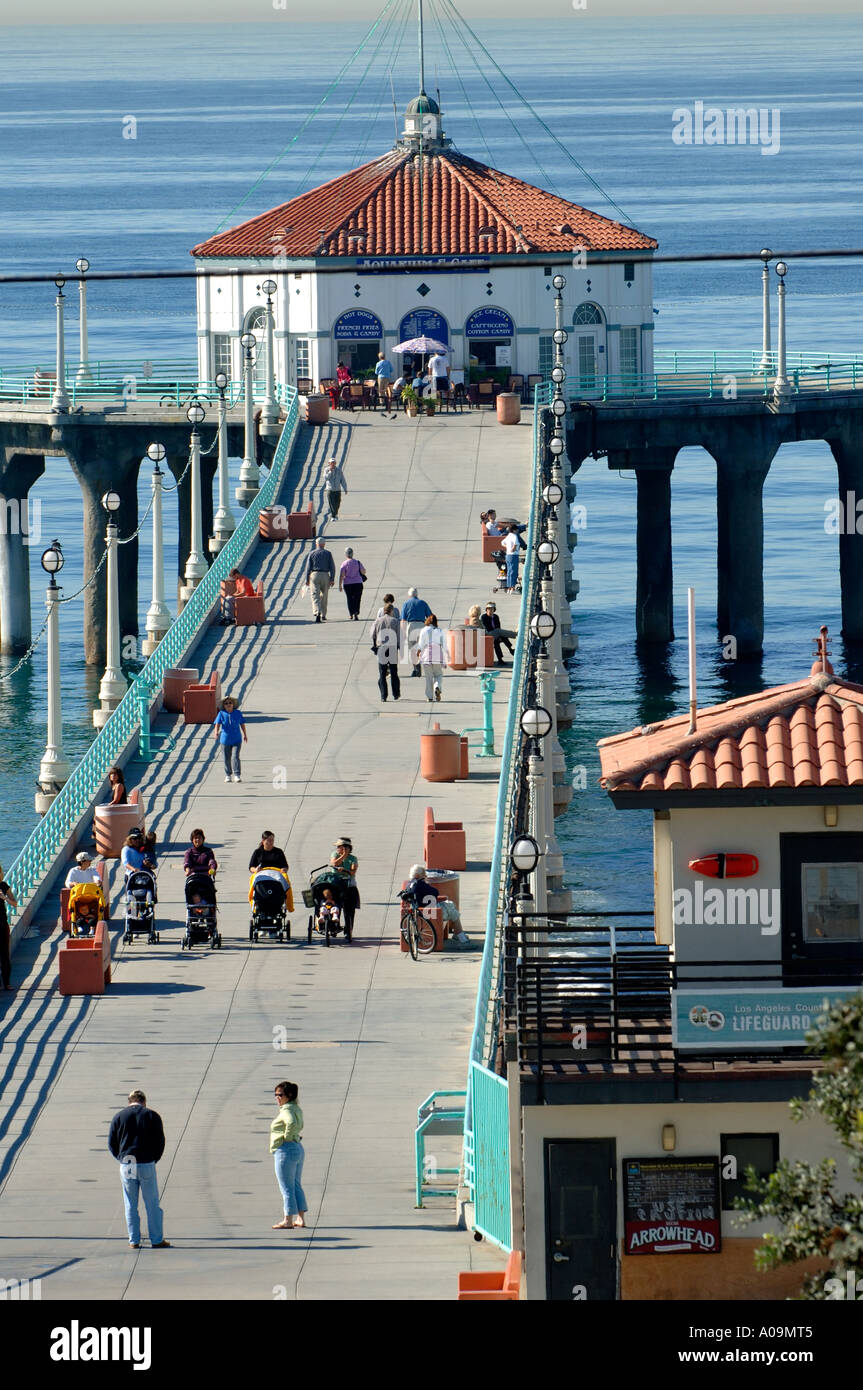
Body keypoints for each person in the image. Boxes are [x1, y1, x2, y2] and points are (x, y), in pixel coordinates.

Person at [108, 1089, 170, 1249]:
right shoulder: (152, 1116)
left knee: (130, 1203)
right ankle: (156, 1239)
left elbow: (112, 1143)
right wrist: (153, 1158)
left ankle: (133, 1240)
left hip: (127, 1162)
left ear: (129, 1101)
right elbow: (160, 1141)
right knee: (152, 1203)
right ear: (144, 1101)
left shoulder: (119, 1116)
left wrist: (121, 1158)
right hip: (146, 1161)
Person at [404, 863, 470, 950]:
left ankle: (458, 934)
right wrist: (426, 884)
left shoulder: (409, 884)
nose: (425, 876)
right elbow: (435, 892)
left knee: (450, 905)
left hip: (419, 910)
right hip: (429, 913)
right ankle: (460, 936)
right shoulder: (420, 884)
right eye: (424, 875)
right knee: (451, 907)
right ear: (417, 875)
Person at [270, 1081, 307, 1230]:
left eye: (280, 1095)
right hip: (298, 1148)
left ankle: (288, 1220)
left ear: (289, 1095)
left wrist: (287, 1137)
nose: (277, 1098)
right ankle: (300, 1218)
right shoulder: (296, 1108)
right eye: (276, 1095)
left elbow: (290, 1123)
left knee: (286, 1187)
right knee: (296, 1185)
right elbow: (300, 1124)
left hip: (285, 1149)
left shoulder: (286, 1111)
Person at [370, 602, 401, 703]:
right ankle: (396, 694)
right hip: (392, 648)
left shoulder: (378, 621)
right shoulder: (395, 621)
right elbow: (399, 636)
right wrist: (399, 647)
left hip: (381, 648)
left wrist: (375, 643)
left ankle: (384, 696)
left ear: (384, 611)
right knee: (394, 672)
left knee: (382, 673)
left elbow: (372, 634)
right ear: (391, 611)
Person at [213, 695, 247, 783]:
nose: (228, 704)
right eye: (226, 703)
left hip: (236, 739)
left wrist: (245, 735)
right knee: (226, 758)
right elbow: (217, 724)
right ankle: (228, 775)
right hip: (225, 740)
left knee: (235, 756)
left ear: (233, 704)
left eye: (230, 703)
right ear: (224, 705)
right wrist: (216, 732)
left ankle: (237, 775)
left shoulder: (238, 713)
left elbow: (242, 724)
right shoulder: (221, 714)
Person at [329, 838, 359, 936]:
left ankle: (348, 930)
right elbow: (334, 864)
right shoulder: (335, 855)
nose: (337, 848)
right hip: (336, 883)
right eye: (337, 846)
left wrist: (345, 870)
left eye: (339, 846)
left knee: (349, 909)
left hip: (349, 884)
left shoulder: (353, 858)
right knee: (334, 906)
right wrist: (343, 856)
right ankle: (333, 927)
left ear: (347, 848)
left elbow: (353, 871)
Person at [416, 613, 447, 703]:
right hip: (437, 656)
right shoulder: (440, 631)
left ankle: (429, 697)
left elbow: (421, 644)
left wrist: (418, 652)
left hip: (426, 657)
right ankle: (437, 686)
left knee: (428, 677)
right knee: (438, 675)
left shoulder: (424, 630)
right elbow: (444, 645)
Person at [401, 587, 432, 677]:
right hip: (422, 626)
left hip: (411, 626)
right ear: (417, 594)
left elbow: (403, 619)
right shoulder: (423, 603)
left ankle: (416, 668)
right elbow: (430, 616)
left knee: (412, 649)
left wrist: (403, 632)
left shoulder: (406, 604)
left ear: (409, 595)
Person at [307, 538, 335, 623]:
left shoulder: (312, 553)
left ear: (316, 544)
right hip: (325, 575)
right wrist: (332, 578)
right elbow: (332, 567)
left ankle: (317, 612)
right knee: (324, 595)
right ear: (324, 544)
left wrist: (306, 579)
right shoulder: (328, 553)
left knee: (315, 595)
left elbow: (308, 568)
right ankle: (323, 614)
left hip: (314, 575)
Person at [0, 865, 17, 991]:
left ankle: (7, 983)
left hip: (2, 925)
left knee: (5, 954)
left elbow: (15, 903)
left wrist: (4, 898)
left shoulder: (3, 886)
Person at [339, 547, 367, 620]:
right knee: (357, 599)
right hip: (358, 583)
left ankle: (351, 614)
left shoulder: (344, 563)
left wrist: (340, 585)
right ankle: (356, 612)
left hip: (348, 584)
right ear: (352, 554)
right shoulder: (358, 562)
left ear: (346, 554)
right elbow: (363, 572)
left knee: (349, 598)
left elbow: (342, 575)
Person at [502, 524, 521, 592]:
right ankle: (512, 588)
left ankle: (509, 587)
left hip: (508, 555)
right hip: (514, 555)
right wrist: (513, 548)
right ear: (514, 530)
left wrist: (508, 547)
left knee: (509, 571)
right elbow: (516, 543)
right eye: (516, 529)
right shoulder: (514, 536)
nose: (517, 530)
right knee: (514, 571)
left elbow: (502, 543)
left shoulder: (508, 536)